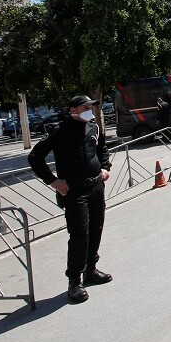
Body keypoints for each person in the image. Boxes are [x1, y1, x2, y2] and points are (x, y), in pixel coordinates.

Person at [28, 95, 113, 303]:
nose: (89, 111)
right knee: (79, 235)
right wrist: (53, 182)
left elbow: (102, 149)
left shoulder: (94, 127)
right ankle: (74, 281)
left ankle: (91, 270)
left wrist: (105, 167)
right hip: (75, 192)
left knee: (96, 229)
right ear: (73, 110)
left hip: (96, 187)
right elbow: (35, 157)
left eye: (90, 107)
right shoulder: (59, 130)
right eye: (85, 107)